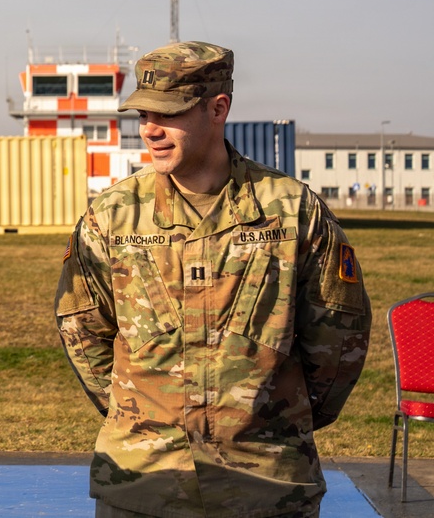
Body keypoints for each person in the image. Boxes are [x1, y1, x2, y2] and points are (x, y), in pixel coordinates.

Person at [54, 41, 371, 518]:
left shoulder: (292, 212)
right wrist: (140, 418)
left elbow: (339, 339)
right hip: (144, 486)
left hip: (266, 488)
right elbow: (82, 331)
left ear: (218, 108)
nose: (150, 130)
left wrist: (273, 423)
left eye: (168, 114)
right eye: (143, 115)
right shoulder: (112, 218)